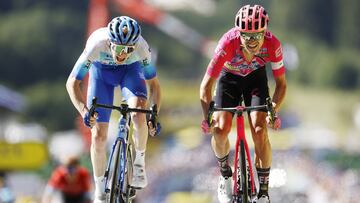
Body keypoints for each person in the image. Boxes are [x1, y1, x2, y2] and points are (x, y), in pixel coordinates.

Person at [66, 16, 161, 203]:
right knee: (98, 136)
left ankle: (139, 164)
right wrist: (84, 111)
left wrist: (154, 113)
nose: (123, 54)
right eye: (119, 48)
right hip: (101, 77)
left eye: (128, 50)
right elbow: (72, 83)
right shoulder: (96, 44)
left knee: (138, 113)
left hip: (130, 73)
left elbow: (154, 86)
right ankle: (100, 190)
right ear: (110, 43)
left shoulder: (142, 47)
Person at [200, 5, 286, 203]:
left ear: (265, 31)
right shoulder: (227, 43)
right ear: (239, 33)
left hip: (255, 80)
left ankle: (263, 191)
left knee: (259, 129)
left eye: (257, 35)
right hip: (228, 79)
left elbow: (281, 85)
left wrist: (273, 110)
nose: (252, 41)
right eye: (246, 36)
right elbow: (206, 86)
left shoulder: (273, 45)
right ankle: (224, 174)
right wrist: (208, 117)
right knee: (221, 130)